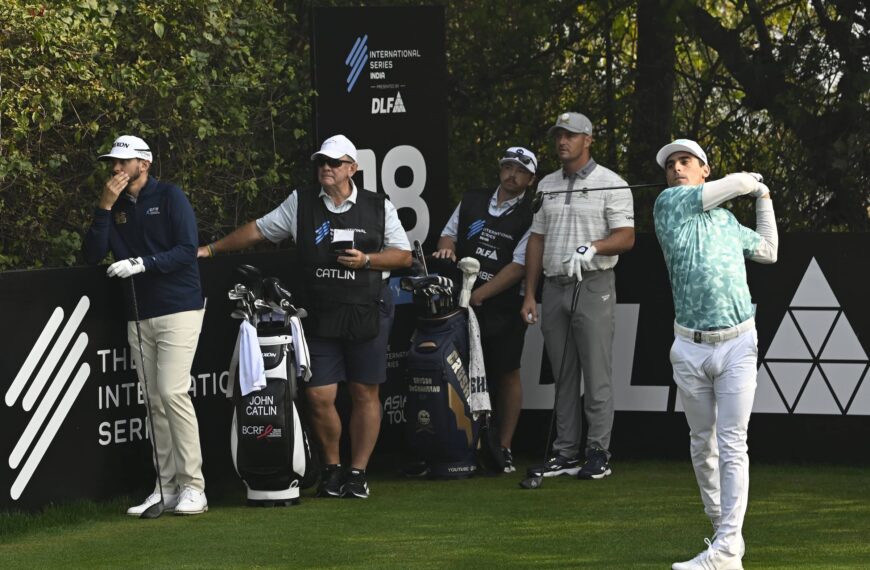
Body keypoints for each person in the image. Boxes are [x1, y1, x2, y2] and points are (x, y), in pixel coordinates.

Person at [199, 134, 411, 499]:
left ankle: (357, 472)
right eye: (321, 163)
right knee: (318, 396)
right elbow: (258, 230)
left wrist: (367, 261)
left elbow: (403, 256)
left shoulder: (378, 205)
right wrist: (212, 248)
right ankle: (332, 469)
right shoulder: (301, 203)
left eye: (334, 163)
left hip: (367, 311)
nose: (325, 168)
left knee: (364, 392)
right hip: (320, 314)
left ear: (352, 168)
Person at [654, 139, 777, 570]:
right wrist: (747, 182)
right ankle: (724, 533)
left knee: (731, 443)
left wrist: (763, 198)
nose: (676, 169)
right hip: (689, 347)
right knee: (702, 443)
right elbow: (734, 184)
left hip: (739, 343)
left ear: (704, 169)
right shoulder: (668, 205)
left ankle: (725, 548)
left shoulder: (725, 221)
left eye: (685, 161)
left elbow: (768, 250)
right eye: (671, 165)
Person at [83, 135, 208, 516]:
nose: (116, 169)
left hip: (178, 307)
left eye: (124, 162)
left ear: (145, 164)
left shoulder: (170, 197)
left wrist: (143, 263)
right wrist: (104, 206)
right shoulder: (115, 205)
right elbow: (92, 254)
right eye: (113, 163)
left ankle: (194, 487)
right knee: (153, 401)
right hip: (138, 312)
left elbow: (188, 250)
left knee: (172, 393)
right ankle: (166, 486)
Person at [520, 112, 635, 480]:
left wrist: (595, 247)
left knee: (596, 373)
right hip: (554, 286)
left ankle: (598, 451)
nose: (562, 142)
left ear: (588, 139)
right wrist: (529, 294)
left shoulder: (612, 183)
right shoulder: (546, 185)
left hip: (593, 284)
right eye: (558, 135)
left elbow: (626, 236)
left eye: (570, 135)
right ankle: (565, 452)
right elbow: (536, 240)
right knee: (564, 374)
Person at [432, 146, 537, 473]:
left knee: (506, 372)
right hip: (459, 304)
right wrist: (446, 251)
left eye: (519, 170)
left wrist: (478, 296)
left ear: (531, 179)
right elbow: (447, 236)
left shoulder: (531, 214)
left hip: (500, 305)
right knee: (455, 372)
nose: (511, 174)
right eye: (507, 167)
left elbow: (520, 265)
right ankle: (460, 442)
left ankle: (503, 446)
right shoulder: (473, 199)